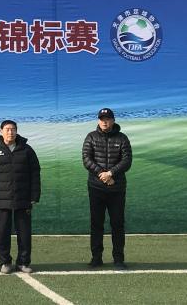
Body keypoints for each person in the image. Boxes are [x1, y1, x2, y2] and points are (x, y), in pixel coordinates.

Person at [0, 119, 41, 274]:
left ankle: (23, 262)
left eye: (13, 129)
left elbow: (35, 173)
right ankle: (5, 262)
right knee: (2, 232)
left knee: (24, 233)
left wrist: (34, 195)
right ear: (1, 131)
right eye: (7, 129)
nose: (10, 132)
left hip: (23, 198)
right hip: (1, 200)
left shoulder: (27, 150)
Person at [82, 107, 132, 270]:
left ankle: (118, 259)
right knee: (96, 224)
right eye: (102, 119)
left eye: (107, 119)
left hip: (117, 189)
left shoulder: (122, 138)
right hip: (96, 188)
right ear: (98, 121)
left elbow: (127, 161)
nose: (104, 122)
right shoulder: (91, 137)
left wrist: (111, 173)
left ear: (113, 121)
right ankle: (96, 258)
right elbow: (86, 159)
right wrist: (102, 175)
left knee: (117, 224)